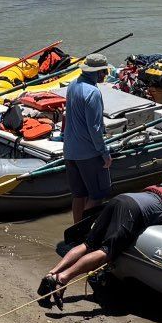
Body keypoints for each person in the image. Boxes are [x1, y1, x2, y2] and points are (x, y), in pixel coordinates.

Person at [39, 183, 162, 305]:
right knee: (106, 251)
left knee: (88, 244)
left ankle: (52, 273)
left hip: (120, 200)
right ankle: (62, 278)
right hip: (132, 210)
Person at [63, 54, 112, 223]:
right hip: (88, 154)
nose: (105, 74)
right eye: (104, 71)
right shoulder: (93, 93)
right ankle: (85, 233)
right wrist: (104, 152)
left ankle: (76, 230)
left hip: (70, 151)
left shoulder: (72, 85)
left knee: (79, 195)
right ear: (97, 72)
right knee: (98, 195)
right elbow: (95, 128)